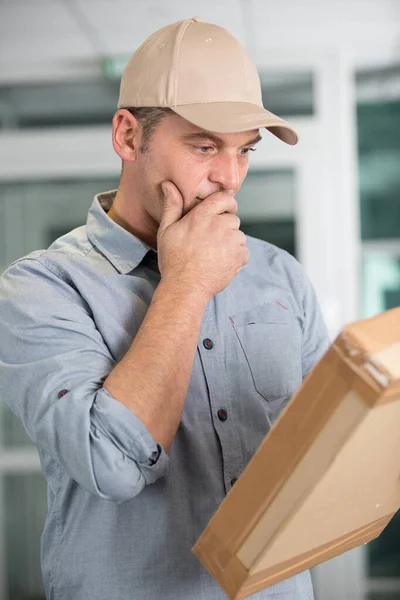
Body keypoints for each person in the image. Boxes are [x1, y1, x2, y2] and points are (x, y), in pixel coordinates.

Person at [0, 16, 330, 600]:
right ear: (129, 137)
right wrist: (187, 283)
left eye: (244, 151)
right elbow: (111, 465)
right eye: (204, 146)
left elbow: (330, 455)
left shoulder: (279, 275)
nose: (229, 178)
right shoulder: (39, 290)